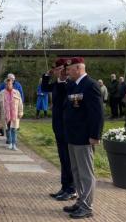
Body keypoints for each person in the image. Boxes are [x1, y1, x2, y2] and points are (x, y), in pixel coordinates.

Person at [62, 57, 104, 219]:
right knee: (77, 171)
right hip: (73, 136)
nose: (67, 71)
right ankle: (81, 201)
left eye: (70, 69)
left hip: (85, 137)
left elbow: (97, 113)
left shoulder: (90, 85)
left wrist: (95, 135)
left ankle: (87, 206)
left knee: (86, 173)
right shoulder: (74, 85)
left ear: (79, 68)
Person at [41, 58, 77, 201]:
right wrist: (47, 74)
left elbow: (73, 102)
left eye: (58, 69)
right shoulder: (57, 84)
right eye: (55, 70)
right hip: (58, 127)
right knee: (63, 159)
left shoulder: (71, 84)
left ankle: (72, 189)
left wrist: (64, 77)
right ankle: (64, 187)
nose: (56, 72)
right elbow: (44, 88)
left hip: (68, 127)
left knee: (69, 159)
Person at [0, 78, 23, 150]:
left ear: (12, 84)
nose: (8, 85)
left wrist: (20, 112)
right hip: (5, 114)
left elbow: (20, 104)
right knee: (8, 129)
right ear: (5, 85)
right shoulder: (1, 93)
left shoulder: (16, 92)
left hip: (14, 114)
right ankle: (10, 143)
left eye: (10, 84)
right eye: (7, 84)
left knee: (14, 129)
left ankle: (14, 144)